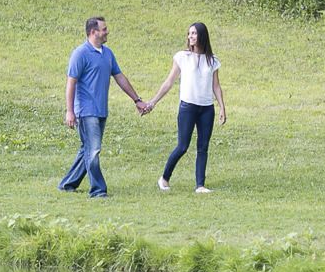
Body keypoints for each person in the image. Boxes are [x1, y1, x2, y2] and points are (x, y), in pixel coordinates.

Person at [60, 16, 149, 198]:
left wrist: (136, 100)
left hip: (101, 110)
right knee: (93, 150)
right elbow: (71, 83)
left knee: (87, 149)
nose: (107, 32)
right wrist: (70, 111)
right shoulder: (80, 53)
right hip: (85, 111)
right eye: (104, 29)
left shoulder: (107, 53)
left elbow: (119, 77)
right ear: (93, 32)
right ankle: (98, 190)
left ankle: (68, 184)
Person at [146, 22, 226, 193]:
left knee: (203, 147)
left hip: (206, 108)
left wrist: (222, 108)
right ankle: (164, 178)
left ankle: (200, 185)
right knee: (183, 146)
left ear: (202, 36)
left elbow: (216, 86)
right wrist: (153, 102)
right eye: (189, 33)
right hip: (188, 107)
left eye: (194, 34)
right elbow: (169, 82)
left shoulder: (212, 60)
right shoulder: (182, 57)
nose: (190, 37)